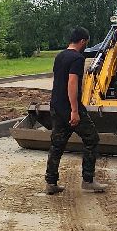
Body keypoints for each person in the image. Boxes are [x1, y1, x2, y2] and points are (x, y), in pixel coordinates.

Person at [45, 26, 106, 195]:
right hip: (69, 107)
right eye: (86, 43)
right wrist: (74, 110)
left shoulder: (60, 56)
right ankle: (88, 180)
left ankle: (51, 182)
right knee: (92, 139)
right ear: (83, 41)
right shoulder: (77, 58)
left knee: (57, 144)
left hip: (56, 106)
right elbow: (72, 83)